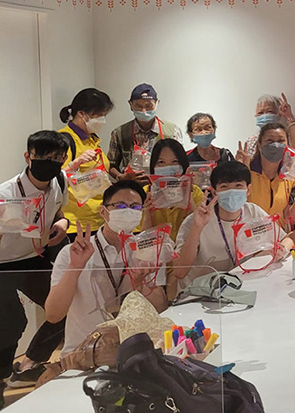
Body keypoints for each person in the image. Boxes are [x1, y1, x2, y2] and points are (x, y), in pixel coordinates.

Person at [46, 180, 168, 353]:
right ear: (103, 211)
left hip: (134, 349)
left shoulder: (148, 252)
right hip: (85, 352)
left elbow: (160, 308)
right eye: (120, 206)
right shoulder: (73, 253)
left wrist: (142, 283)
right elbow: (53, 315)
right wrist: (75, 267)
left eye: (135, 207)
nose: (128, 211)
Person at [0, 132, 71, 390]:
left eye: (58, 158)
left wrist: (62, 223)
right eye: (44, 156)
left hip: (33, 258)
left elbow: (59, 210)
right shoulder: (5, 194)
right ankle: (2, 377)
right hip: (3, 264)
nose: (51, 162)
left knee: (63, 307)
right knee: (12, 322)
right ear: (28, 157)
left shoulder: (59, 181)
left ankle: (29, 364)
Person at [172, 161, 292, 284]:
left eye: (238, 186)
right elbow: (179, 272)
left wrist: (281, 250)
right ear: (214, 192)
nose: (232, 191)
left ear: (248, 190)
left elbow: (287, 239)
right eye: (224, 187)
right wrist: (197, 228)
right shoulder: (195, 220)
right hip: (202, 290)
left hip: (242, 284)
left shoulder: (253, 212)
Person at [57, 88, 115, 233]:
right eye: (99, 115)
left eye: (104, 115)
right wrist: (75, 164)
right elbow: (53, 180)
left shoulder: (92, 140)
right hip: (75, 224)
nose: (102, 120)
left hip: (99, 219)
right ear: (82, 114)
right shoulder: (63, 141)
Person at [237, 123, 295, 226]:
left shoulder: (291, 176)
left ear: (287, 145)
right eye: (270, 141)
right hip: (250, 233)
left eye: (281, 141)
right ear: (259, 144)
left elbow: (291, 219)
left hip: (280, 234)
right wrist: (239, 175)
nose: (276, 145)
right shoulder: (247, 171)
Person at [107, 83, 182, 181]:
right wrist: (121, 177)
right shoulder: (119, 133)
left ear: (157, 103)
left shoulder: (172, 131)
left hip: (163, 185)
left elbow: (181, 163)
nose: (143, 110)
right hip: (131, 186)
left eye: (149, 106)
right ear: (130, 105)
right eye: (138, 106)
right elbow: (111, 164)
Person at [147, 139, 205, 240]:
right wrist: (148, 212)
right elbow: (140, 237)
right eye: (161, 162)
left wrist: (188, 198)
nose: (168, 167)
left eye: (174, 161)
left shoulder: (195, 192)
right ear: (153, 166)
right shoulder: (145, 193)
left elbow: (200, 232)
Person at [242, 93, 295, 159]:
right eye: (260, 113)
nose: (265, 115)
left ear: (279, 114)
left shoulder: (285, 137)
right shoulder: (252, 141)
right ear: (256, 115)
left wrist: (289, 117)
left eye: (270, 111)